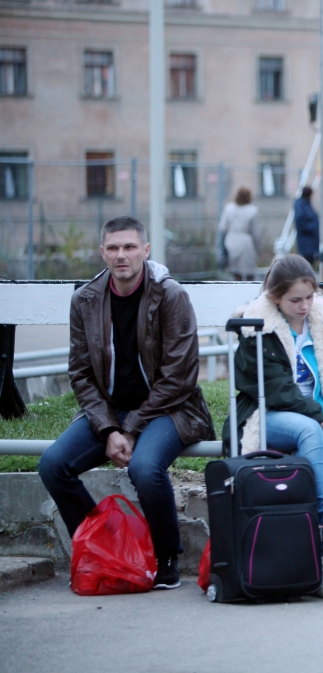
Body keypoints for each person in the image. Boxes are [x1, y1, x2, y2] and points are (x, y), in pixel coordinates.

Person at [38, 216, 215, 590]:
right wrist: (108, 427)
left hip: (170, 409)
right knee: (53, 464)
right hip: (108, 412)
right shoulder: (85, 299)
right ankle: (104, 547)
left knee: (146, 468)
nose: (122, 255)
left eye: (130, 247)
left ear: (145, 251)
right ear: (103, 252)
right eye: (114, 248)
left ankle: (166, 557)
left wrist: (129, 428)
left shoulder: (170, 296)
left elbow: (181, 376)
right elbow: (80, 373)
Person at [227, 254, 323, 597]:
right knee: (311, 431)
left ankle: (321, 564)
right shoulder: (255, 326)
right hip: (268, 414)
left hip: (319, 420)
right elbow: (278, 391)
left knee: (316, 440)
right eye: (295, 299)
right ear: (275, 296)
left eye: (310, 297)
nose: (305, 305)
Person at [218, 187, 260, 281]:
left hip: (231, 241)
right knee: (249, 273)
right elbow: (255, 233)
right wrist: (259, 249)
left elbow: (222, 227)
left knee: (236, 273)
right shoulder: (252, 210)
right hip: (246, 243)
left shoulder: (229, 208)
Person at [294, 186, 321, 268]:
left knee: (309, 264)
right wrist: (313, 227)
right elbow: (300, 223)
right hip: (307, 242)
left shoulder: (306, 204)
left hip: (310, 241)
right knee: (306, 264)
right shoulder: (301, 205)